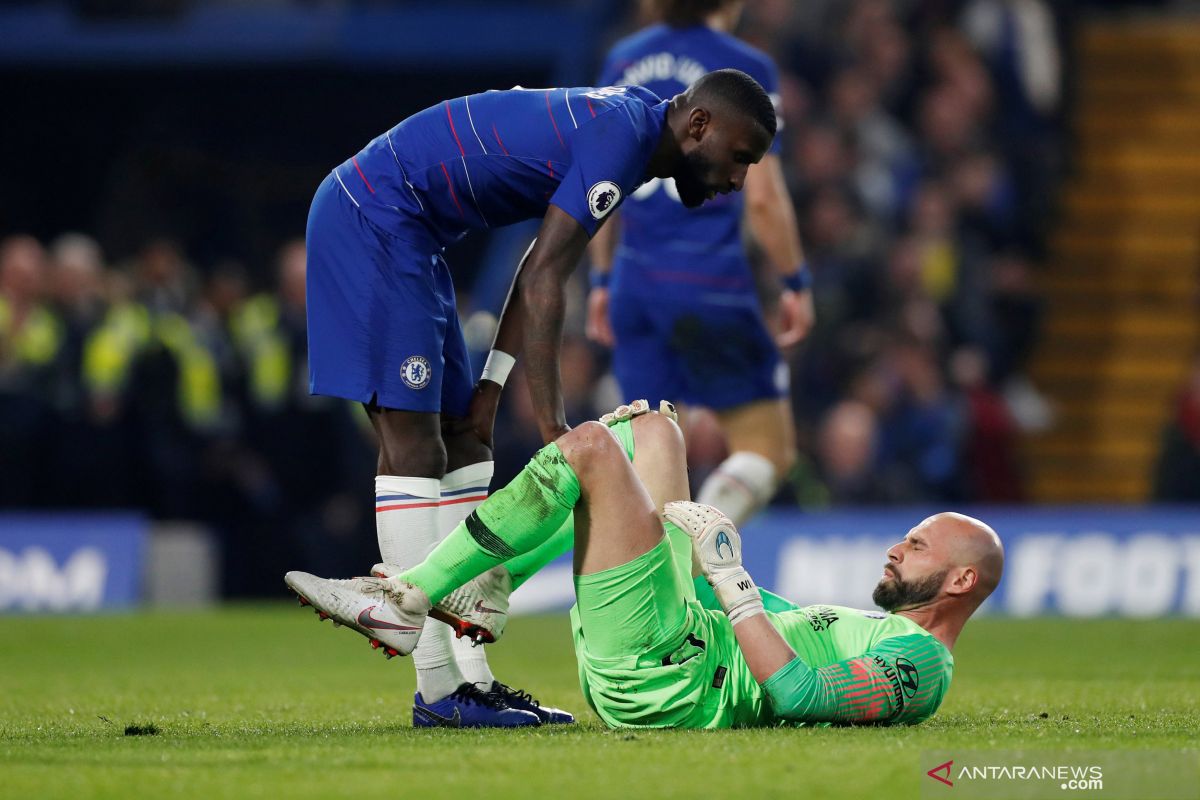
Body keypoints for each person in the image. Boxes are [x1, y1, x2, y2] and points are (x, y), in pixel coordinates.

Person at [295, 70, 779, 727]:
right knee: (414, 441)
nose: (737, 179)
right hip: (375, 215)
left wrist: (493, 384)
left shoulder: (632, 135)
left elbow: (538, 260)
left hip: (417, 234)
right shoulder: (623, 138)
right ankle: (435, 685)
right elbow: (549, 273)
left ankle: (473, 681)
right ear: (699, 127)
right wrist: (553, 423)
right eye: (740, 157)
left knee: (466, 437)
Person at [287, 402, 1004, 728]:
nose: (895, 547)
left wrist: (732, 580)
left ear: (962, 580)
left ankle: (409, 600)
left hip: (674, 679)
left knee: (592, 450)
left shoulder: (919, 667)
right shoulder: (870, 629)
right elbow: (757, 630)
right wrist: (708, 572)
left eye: (916, 545)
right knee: (653, 429)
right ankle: (489, 584)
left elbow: (797, 694)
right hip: (683, 638)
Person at [586, 0, 814, 527]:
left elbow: (604, 177)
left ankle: (653, 590)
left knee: (654, 465)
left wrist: (601, 280)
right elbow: (762, 196)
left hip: (634, 284)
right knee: (769, 451)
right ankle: (697, 548)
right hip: (709, 283)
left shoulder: (622, 58)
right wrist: (794, 282)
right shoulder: (744, 68)